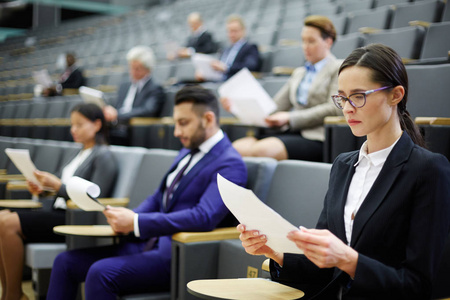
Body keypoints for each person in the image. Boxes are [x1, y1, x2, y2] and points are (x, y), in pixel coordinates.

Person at [238, 44, 450, 299]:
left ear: (396, 95)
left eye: (358, 96)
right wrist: (274, 251)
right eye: (342, 97)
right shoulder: (343, 165)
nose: (348, 107)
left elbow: (418, 285)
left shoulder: (428, 169)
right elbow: (324, 270)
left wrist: (349, 260)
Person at [46, 85, 248, 299]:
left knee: (100, 272)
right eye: (176, 123)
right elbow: (158, 196)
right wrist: (130, 219)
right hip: (145, 242)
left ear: (208, 119)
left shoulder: (230, 163)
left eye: (183, 123)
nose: (176, 132)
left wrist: (137, 222)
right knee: (65, 262)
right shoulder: (187, 150)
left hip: (176, 253)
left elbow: (204, 216)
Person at [0, 103, 118, 300]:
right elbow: (61, 187)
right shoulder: (78, 153)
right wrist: (43, 189)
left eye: (79, 125)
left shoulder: (104, 155)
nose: (73, 130)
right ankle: (9, 293)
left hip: (74, 219)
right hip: (57, 211)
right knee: (2, 216)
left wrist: (56, 186)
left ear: (97, 124)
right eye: (72, 125)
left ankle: (13, 294)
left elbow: (95, 198)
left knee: (6, 223)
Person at [223, 15, 342, 161]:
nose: (305, 47)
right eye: (303, 41)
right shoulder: (299, 73)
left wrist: (290, 118)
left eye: (311, 41)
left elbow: (334, 108)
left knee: (262, 150)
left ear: (328, 42)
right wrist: (237, 108)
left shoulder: (338, 68)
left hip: (317, 136)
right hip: (291, 132)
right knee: (236, 148)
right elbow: (274, 107)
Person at [102, 45, 165, 145]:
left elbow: (148, 111)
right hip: (115, 127)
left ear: (148, 69)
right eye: (131, 68)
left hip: (132, 131)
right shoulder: (124, 85)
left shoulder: (155, 88)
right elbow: (118, 106)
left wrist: (118, 115)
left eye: (137, 69)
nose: (133, 72)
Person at [197, 14, 261, 81]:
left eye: (235, 31)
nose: (232, 34)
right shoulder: (226, 49)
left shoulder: (250, 47)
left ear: (243, 30)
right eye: (229, 31)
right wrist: (205, 72)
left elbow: (250, 66)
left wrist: (226, 68)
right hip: (219, 81)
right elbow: (219, 67)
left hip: (236, 81)